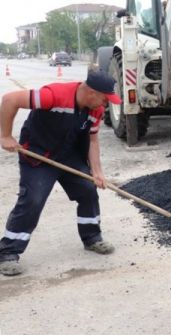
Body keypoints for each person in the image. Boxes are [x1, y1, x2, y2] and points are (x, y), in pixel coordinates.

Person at [0, 70, 122, 276]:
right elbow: (10, 99)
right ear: (91, 92)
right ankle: (8, 252)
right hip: (38, 155)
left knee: (88, 190)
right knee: (33, 199)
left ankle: (92, 238)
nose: (105, 104)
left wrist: (97, 171)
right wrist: (5, 135)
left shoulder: (96, 110)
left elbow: (92, 141)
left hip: (68, 156)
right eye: (104, 98)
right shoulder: (53, 95)